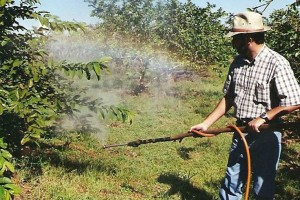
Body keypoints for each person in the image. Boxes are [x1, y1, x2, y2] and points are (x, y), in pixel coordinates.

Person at [190, 11, 300, 200]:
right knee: (231, 181)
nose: (232, 43)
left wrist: (264, 117)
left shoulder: (277, 63)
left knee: (262, 186)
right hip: (240, 131)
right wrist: (206, 124)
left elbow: (294, 101)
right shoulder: (237, 63)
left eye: (235, 39)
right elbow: (229, 97)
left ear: (248, 38)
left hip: (266, 133)